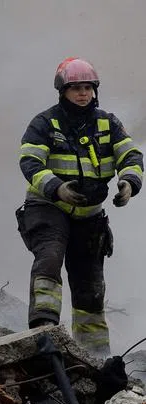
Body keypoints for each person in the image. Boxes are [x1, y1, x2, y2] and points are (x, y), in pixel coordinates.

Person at [18, 57, 143, 357]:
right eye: (76, 88)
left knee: (90, 289)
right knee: (49, 258)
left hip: (89, 217)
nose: (83, 93)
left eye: (88, 87)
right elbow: (30, 161)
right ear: (63, 91)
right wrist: (57, 188)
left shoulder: (108, 123)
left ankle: (93, 356)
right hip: (48, 207)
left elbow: (131, 156)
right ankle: (44, 333)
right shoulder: (45, 123)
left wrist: (128, 183)